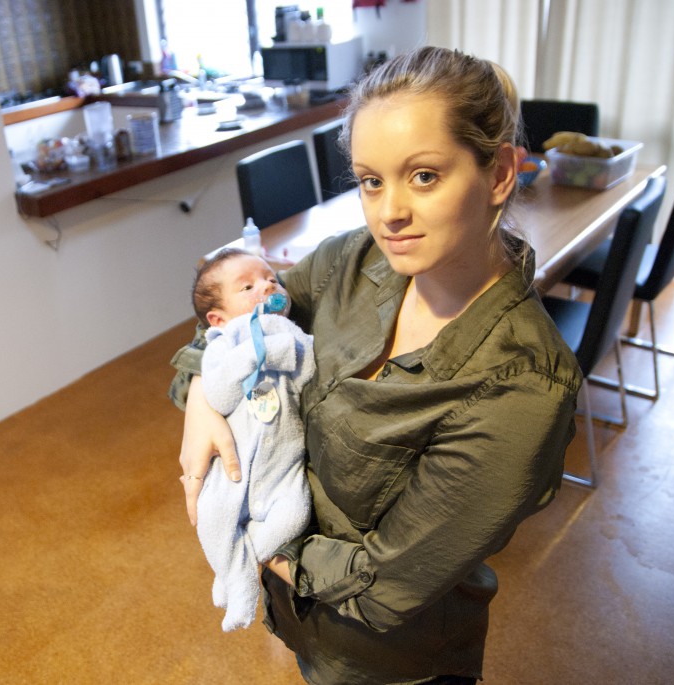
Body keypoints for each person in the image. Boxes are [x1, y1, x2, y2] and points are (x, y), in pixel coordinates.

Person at [170, 46, 582, 684]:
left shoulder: (520, 385)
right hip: (300, 617)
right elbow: (241, 323)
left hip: (387, 661)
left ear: (500, 173)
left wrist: (249, 533)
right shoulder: (351, 262)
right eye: (370, 180)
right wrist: (200, 392)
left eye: (423, 176)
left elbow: (385, 585)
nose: (388, 213)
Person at [187, 248, 315, 632]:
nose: (267, 286)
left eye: (271, 279)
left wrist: (281, 342)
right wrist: (254, 354)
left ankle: (236, 571)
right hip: (234, 468)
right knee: (210, 518)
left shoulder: (289, 332)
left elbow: (308, 369)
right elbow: (222, 393)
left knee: (294, 516)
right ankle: (235, 577)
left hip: (284, 466)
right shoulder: (219, 346)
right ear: (217, 317)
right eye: (248, 286)